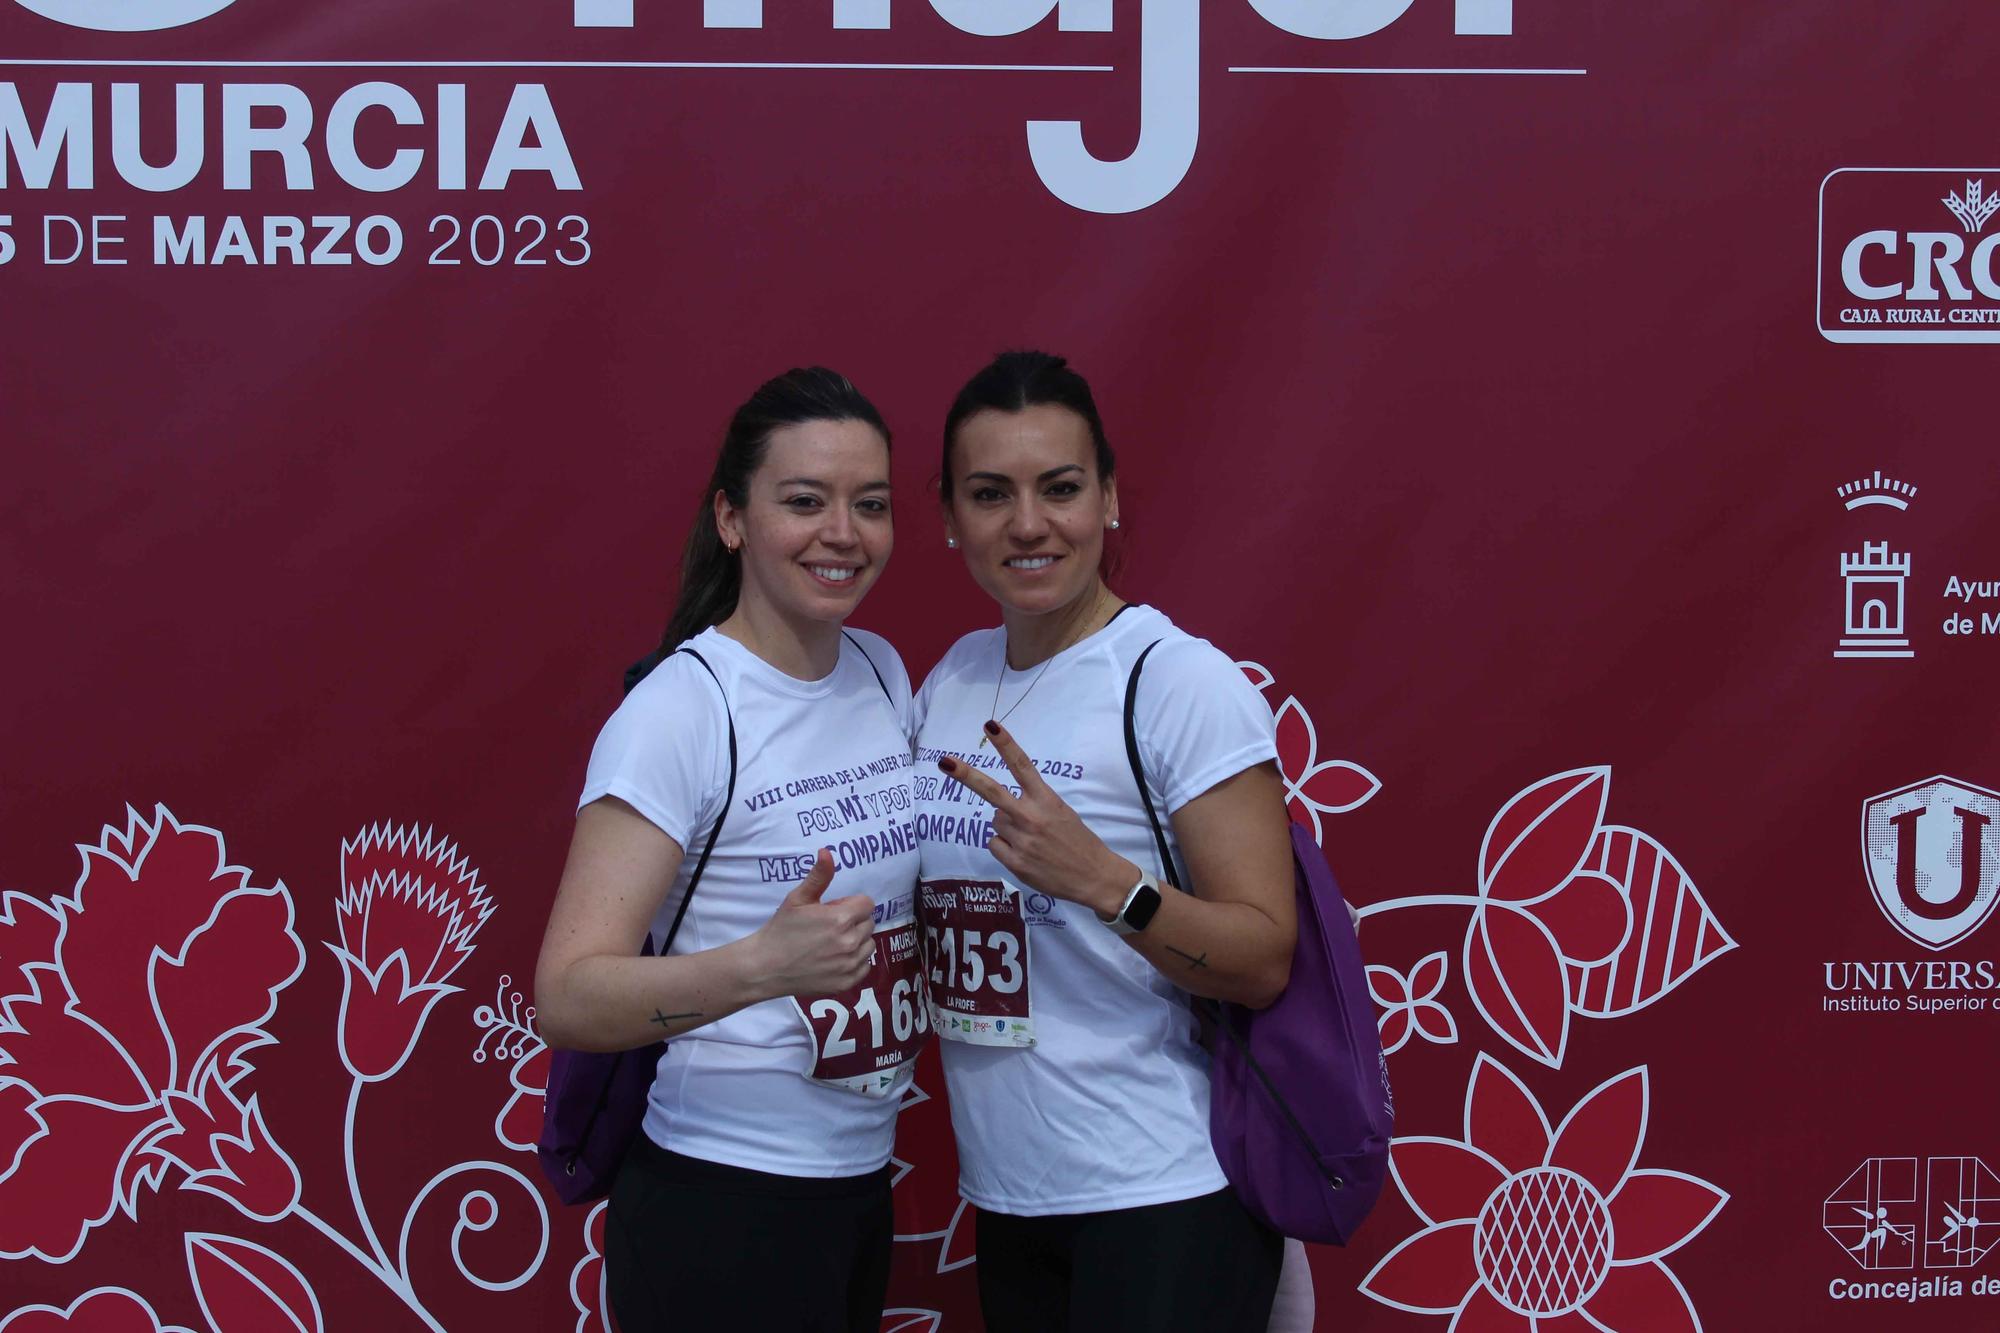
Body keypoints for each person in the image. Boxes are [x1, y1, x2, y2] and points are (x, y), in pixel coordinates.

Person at [912, 350, 1299, 1332]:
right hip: (1010, 1196)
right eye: (990, 493)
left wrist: (1108, 884)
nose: (1028, 523)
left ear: (1109, 498)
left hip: (1162, 1196)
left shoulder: (1177, 683)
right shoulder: (949, 681)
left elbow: (1259, 959)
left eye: (1060, 487)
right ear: (950, 517)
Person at [534, 367, 925, 1333]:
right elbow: (569, 995)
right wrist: (762, 965)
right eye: (805, 501)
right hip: (723, 1198)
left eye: (869, 504)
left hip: (856, 1185)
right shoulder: (679, 711)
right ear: (733, 518)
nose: (844, 533)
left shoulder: (882, 670)